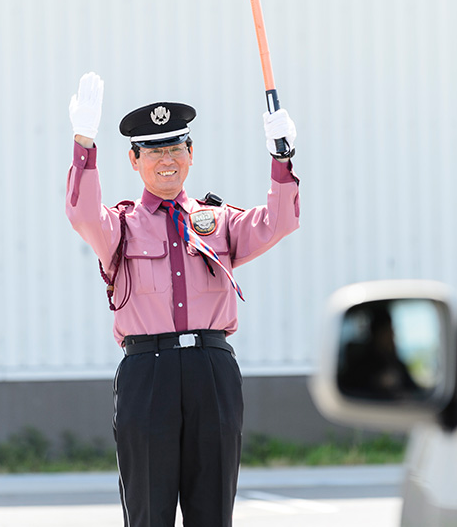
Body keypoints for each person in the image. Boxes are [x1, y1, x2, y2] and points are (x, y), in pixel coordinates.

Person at [65, 72, 300, 527]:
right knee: (149, 513)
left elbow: (280, 221)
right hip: (146, 372)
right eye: (153, 151)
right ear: (134, 161)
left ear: (191, 154)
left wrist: (282, 156)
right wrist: (83, 142)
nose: (166, 160)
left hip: (211, 370)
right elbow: (81, 214)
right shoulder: (121, 225)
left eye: (175, 148)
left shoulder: (219, 220)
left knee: (212, 511)